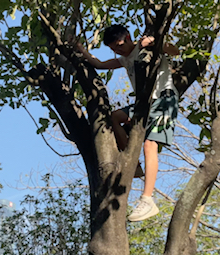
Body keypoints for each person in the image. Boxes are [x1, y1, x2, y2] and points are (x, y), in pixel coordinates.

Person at [76, 24, 179, 221]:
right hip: (144, 105)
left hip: (164, 99)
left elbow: (175, 50)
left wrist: (155, 42)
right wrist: (82, 51)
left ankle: (148, 200)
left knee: (150, 144)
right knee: (114, 117)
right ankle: (135, 164)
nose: (117, 50)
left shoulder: (147, 48)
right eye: (113, 48)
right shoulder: (124, 59)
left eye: (119, 45)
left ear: (129, 37)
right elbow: (99, 65)